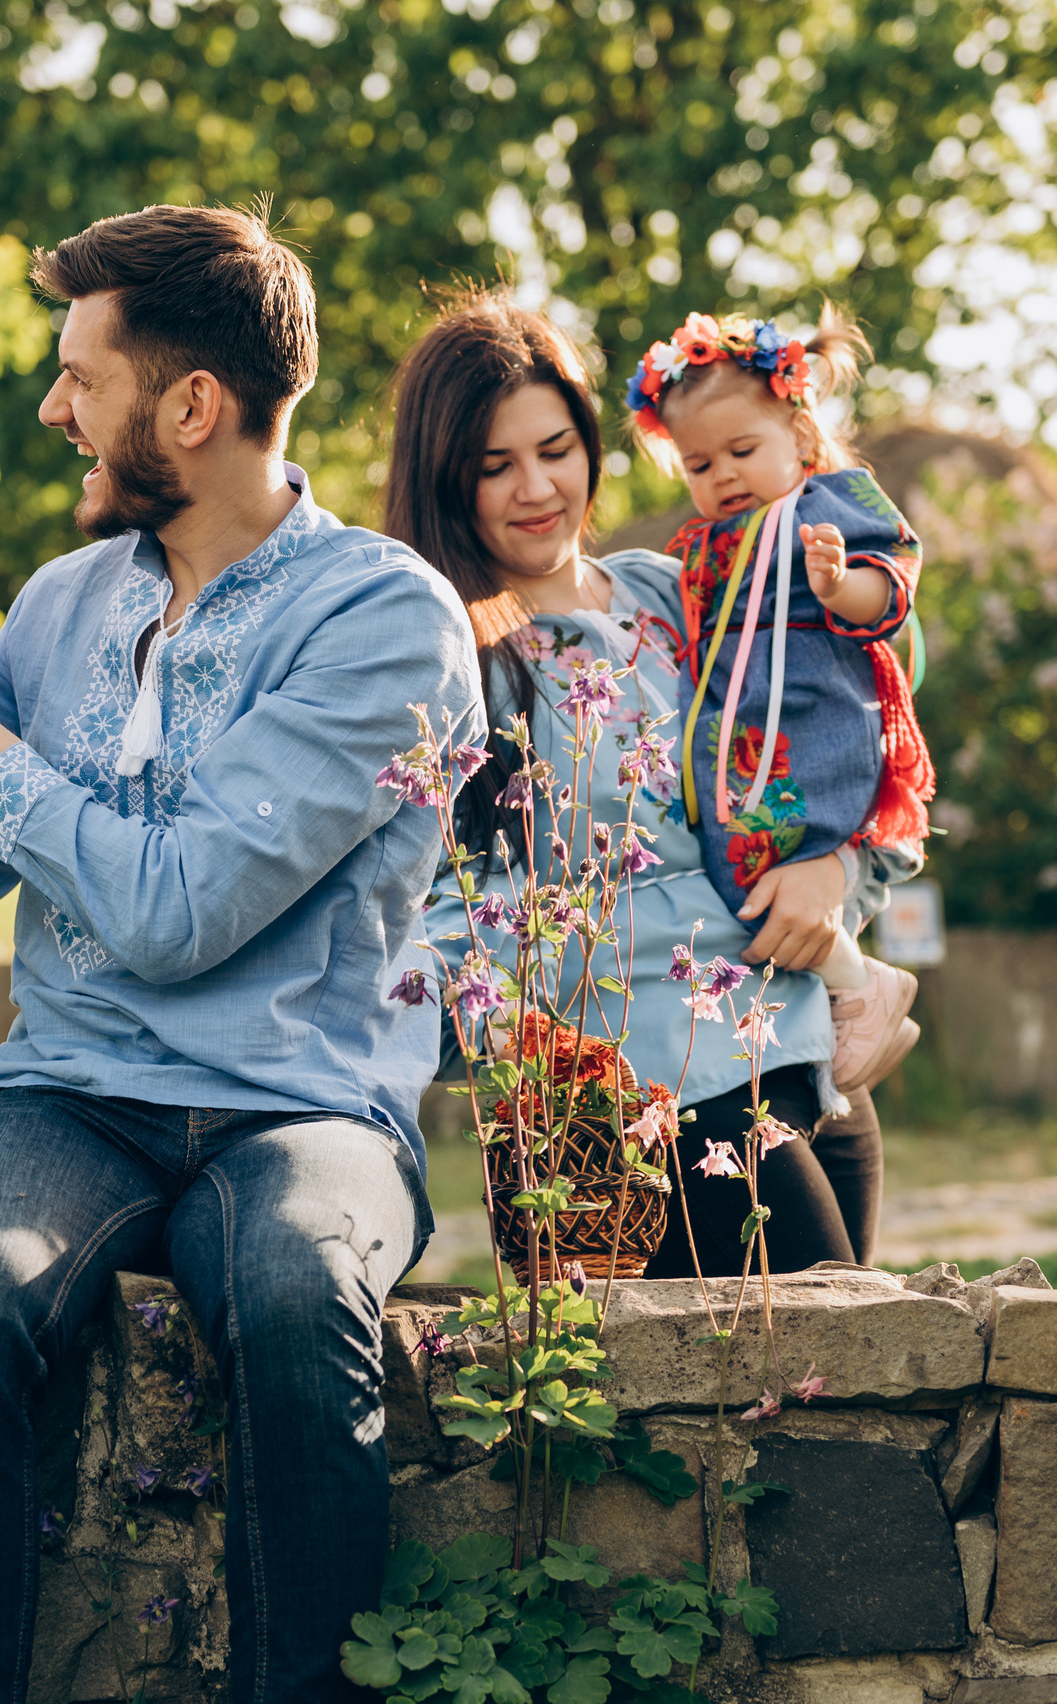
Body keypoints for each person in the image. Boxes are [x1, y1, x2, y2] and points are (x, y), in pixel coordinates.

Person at [0, 204, 476, 1702]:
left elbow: (175, 910)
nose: (54, 409)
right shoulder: (62, 605)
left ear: (192, 406)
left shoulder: (383, 615)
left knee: (303, 1297)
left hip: (300, 1101)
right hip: (70, 1090)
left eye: (81, 380)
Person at [387, 290, 906, 1277]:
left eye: (555, 449)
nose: (535, 488)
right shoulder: (452, 658)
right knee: (819, 1377)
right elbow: (433, 898)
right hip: (663, 1094)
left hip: (800, 1049)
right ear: (444, 481)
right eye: (494, 467)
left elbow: (837, 725)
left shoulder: (676, 589)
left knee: (852, 1397)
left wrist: (832, 871)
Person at [625, 304, 937, 1092]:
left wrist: (840, 584)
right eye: (699, 465)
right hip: (741, 750)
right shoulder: (705, 545)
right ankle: (844, 992)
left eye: (741, 449)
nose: (722, 474)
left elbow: (892, 587)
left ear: (798, 438)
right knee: (740, 879)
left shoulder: (824, 508)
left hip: (813, 731)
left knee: (770, 880)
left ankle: (857, 985)